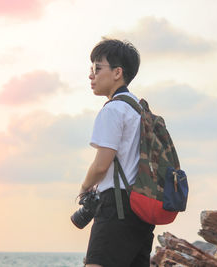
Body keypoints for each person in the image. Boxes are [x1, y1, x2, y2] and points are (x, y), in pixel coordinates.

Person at [80, 38, 155, 267]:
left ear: (117, 73)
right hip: (142, 209)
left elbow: (101, 165)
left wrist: (84, 188)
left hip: (117, 207)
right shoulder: (139, 108)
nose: (91, 75)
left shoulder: (113, 110)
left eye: (97, 68)